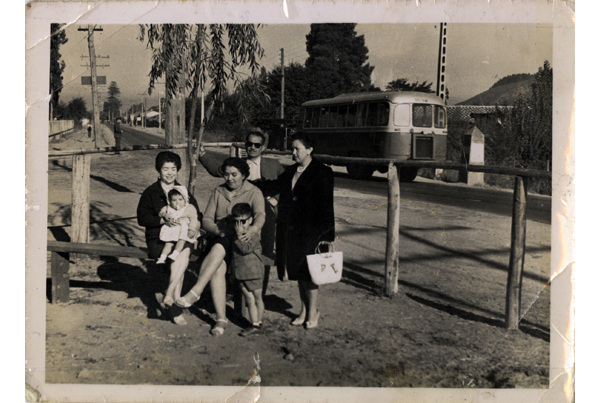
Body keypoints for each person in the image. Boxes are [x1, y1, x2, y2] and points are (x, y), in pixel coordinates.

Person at [175, 157, 265, 336]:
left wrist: (253, 229)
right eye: (226, 174)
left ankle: (196, 291)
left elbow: (260, 214)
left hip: (243, 245)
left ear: (244, 175)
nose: (230, 178)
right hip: (221, 238)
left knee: (219, 251)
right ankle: (220, 319)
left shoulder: (254, 192)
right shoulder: (219, 191)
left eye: (234, 174)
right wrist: (217, 230)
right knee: (217, 266)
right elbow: (207, 219)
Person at [256, 133, 335, 330]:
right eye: (292, 148)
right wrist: (249, 182)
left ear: (309, 150)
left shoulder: (323, 172)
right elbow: (273, 186)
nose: (293, 152)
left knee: (311, 274)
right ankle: (303, 310)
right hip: (290, 231)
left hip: (312, 232)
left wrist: (326, 237)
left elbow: (327, 207)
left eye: (297, 149)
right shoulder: (290, 171)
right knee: (299, 273)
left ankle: (313, 311)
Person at [199, 128, 284, 295]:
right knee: (236, 250)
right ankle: (235, 290)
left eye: (256, 145)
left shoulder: (273, 165)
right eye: (249, 144)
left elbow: (286, 183)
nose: (252, 147)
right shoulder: (236, 164)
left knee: (262, 253)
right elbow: (217, 169)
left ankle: (260, 292)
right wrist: (202, 154)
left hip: (262, 210)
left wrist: (276, 200)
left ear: (263, 147)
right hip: (238, 211)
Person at [136, 151, 202, 326]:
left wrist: (191, 227)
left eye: (173, 169)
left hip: (182, 237)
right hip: (159, 238)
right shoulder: (151, 192)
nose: (170, 173)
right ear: (159, 170)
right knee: (179, 259)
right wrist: (161, 219)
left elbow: (197, 214)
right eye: (166, 169)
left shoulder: (182, 191)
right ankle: (174, 307)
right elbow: (142, 218)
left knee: (180, 256)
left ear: (178, 170)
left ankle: (169, 296)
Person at [229, 203, 265, 337]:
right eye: (236, 222)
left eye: (242, 222)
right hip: (241, 273)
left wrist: (239, 236)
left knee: (257, 298)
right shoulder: (236, 233)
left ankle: (258, 323)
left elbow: (245, 249)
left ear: (250, 220)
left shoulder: (252, 234)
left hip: (254, 272)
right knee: (249, 299)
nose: (239, 226)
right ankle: (254, 323)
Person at [156, 185, 200, 264]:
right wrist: (165, 215)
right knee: (168, 243)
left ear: (185, 199)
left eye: (180, 199)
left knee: (182, 240)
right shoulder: (168, 208)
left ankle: (175, 254)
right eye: (174, 200)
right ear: (169, 201)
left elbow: (194, 219)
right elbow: (160, 213)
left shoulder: (189, 208)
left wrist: (191, 229)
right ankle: (162, 257)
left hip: (183, 230)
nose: (177, 202)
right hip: (172, 229)